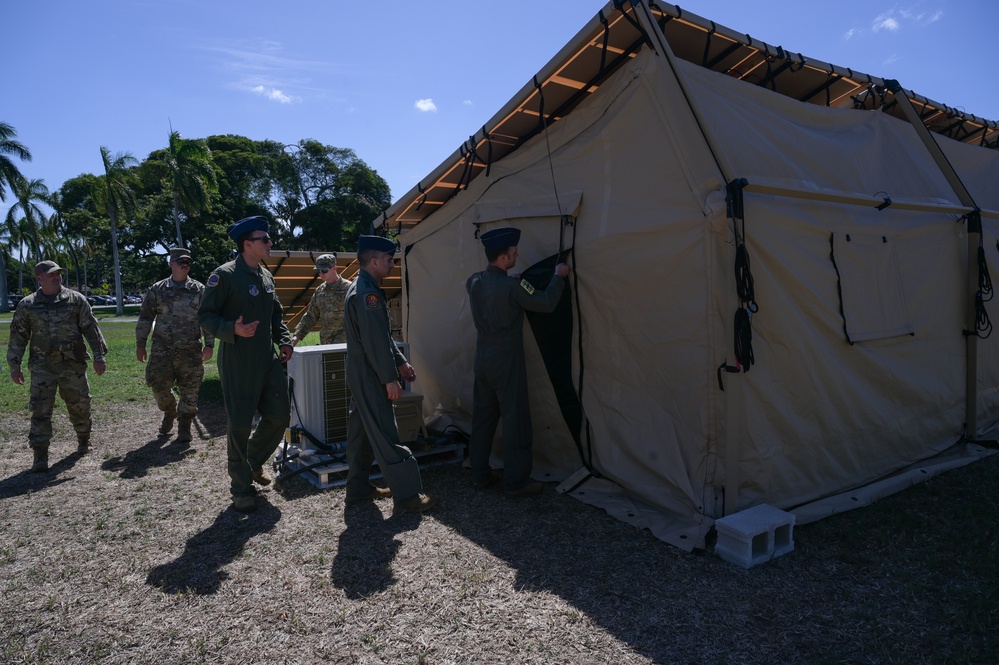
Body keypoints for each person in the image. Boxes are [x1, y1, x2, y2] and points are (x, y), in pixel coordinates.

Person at [465, 227, 571, 497]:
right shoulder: (513, 287)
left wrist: (510, 281)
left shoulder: (474, 281)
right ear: (502, 258)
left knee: (483, 419)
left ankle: (479, 474)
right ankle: (516, 482)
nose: (516, 255)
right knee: (516, 421)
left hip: (482, 359)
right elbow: (546, 303)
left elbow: (494, 289)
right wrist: (559, 277)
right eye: (513, 253)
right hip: (506, 361)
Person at [198, 216, 293, 513]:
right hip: (238, 358)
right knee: (239, 424)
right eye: (264, 239)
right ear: (247, 244)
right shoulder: (224, 276)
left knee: (279, 415)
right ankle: (241, 487)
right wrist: (232, 329)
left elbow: (275, 315)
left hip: (266, 357)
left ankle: (250, 462)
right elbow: (205, 315)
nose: (270, 242)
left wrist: (285, 339)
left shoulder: (266, 276)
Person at [343, 234, 437, 514]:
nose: (393, 265)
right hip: (370, 371)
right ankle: (408, 497)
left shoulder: (363, 286)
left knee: (360, 432)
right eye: (389, 260)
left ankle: (357, 488)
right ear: (374, 261)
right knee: (386, 432)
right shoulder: (367, 293)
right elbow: (374, 341)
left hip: (362, 369)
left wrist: (399, 362)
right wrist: (389, 379)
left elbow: (380, 336)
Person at [6, 260, 108, 472]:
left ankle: (83, 440)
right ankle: (40, 455)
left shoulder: (75, 299)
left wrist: (99, 356)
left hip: (73, 364)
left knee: (80, 405)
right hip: (43, 367)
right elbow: (18, 337)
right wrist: (14, 366)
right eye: (51, 274)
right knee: (40, 409)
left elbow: (91, 329)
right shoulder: (27, 305)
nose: (57, 277)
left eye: (58, 273)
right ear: (39, 278)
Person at [136, 247, 215, 443]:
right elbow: (146, 317)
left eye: (188, 262)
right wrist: (141, 344)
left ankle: (184, 425)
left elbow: (206, 318)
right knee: (158, 385)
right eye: (181, 262)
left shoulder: (199, 290)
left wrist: (209, 344)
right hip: (162, 349)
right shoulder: (158, 289)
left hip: (190, 349)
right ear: (171, 263)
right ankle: (169, 411)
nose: (185, 265)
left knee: (190, 389)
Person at [291, 253, 352, 346]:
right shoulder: (319, 291)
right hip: (325, 343)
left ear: (335, 268)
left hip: (346, 344)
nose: (321, 274)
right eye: (318, 271)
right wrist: (297, 336)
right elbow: (311, 316)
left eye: (324, 270)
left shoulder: (349, 288)